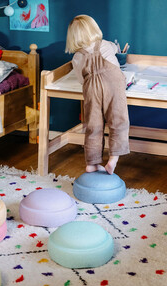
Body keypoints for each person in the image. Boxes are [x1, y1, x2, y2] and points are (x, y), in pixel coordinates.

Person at [65, 14, 130, 174]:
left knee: (94, 126)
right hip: (113, 85)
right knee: (118, 121)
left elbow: (81, 80)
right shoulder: (106, 45)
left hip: (91, 88)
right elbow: (117, 50)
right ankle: (113, 159)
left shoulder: (77, 57)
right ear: (94, 29)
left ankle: (92, 163)